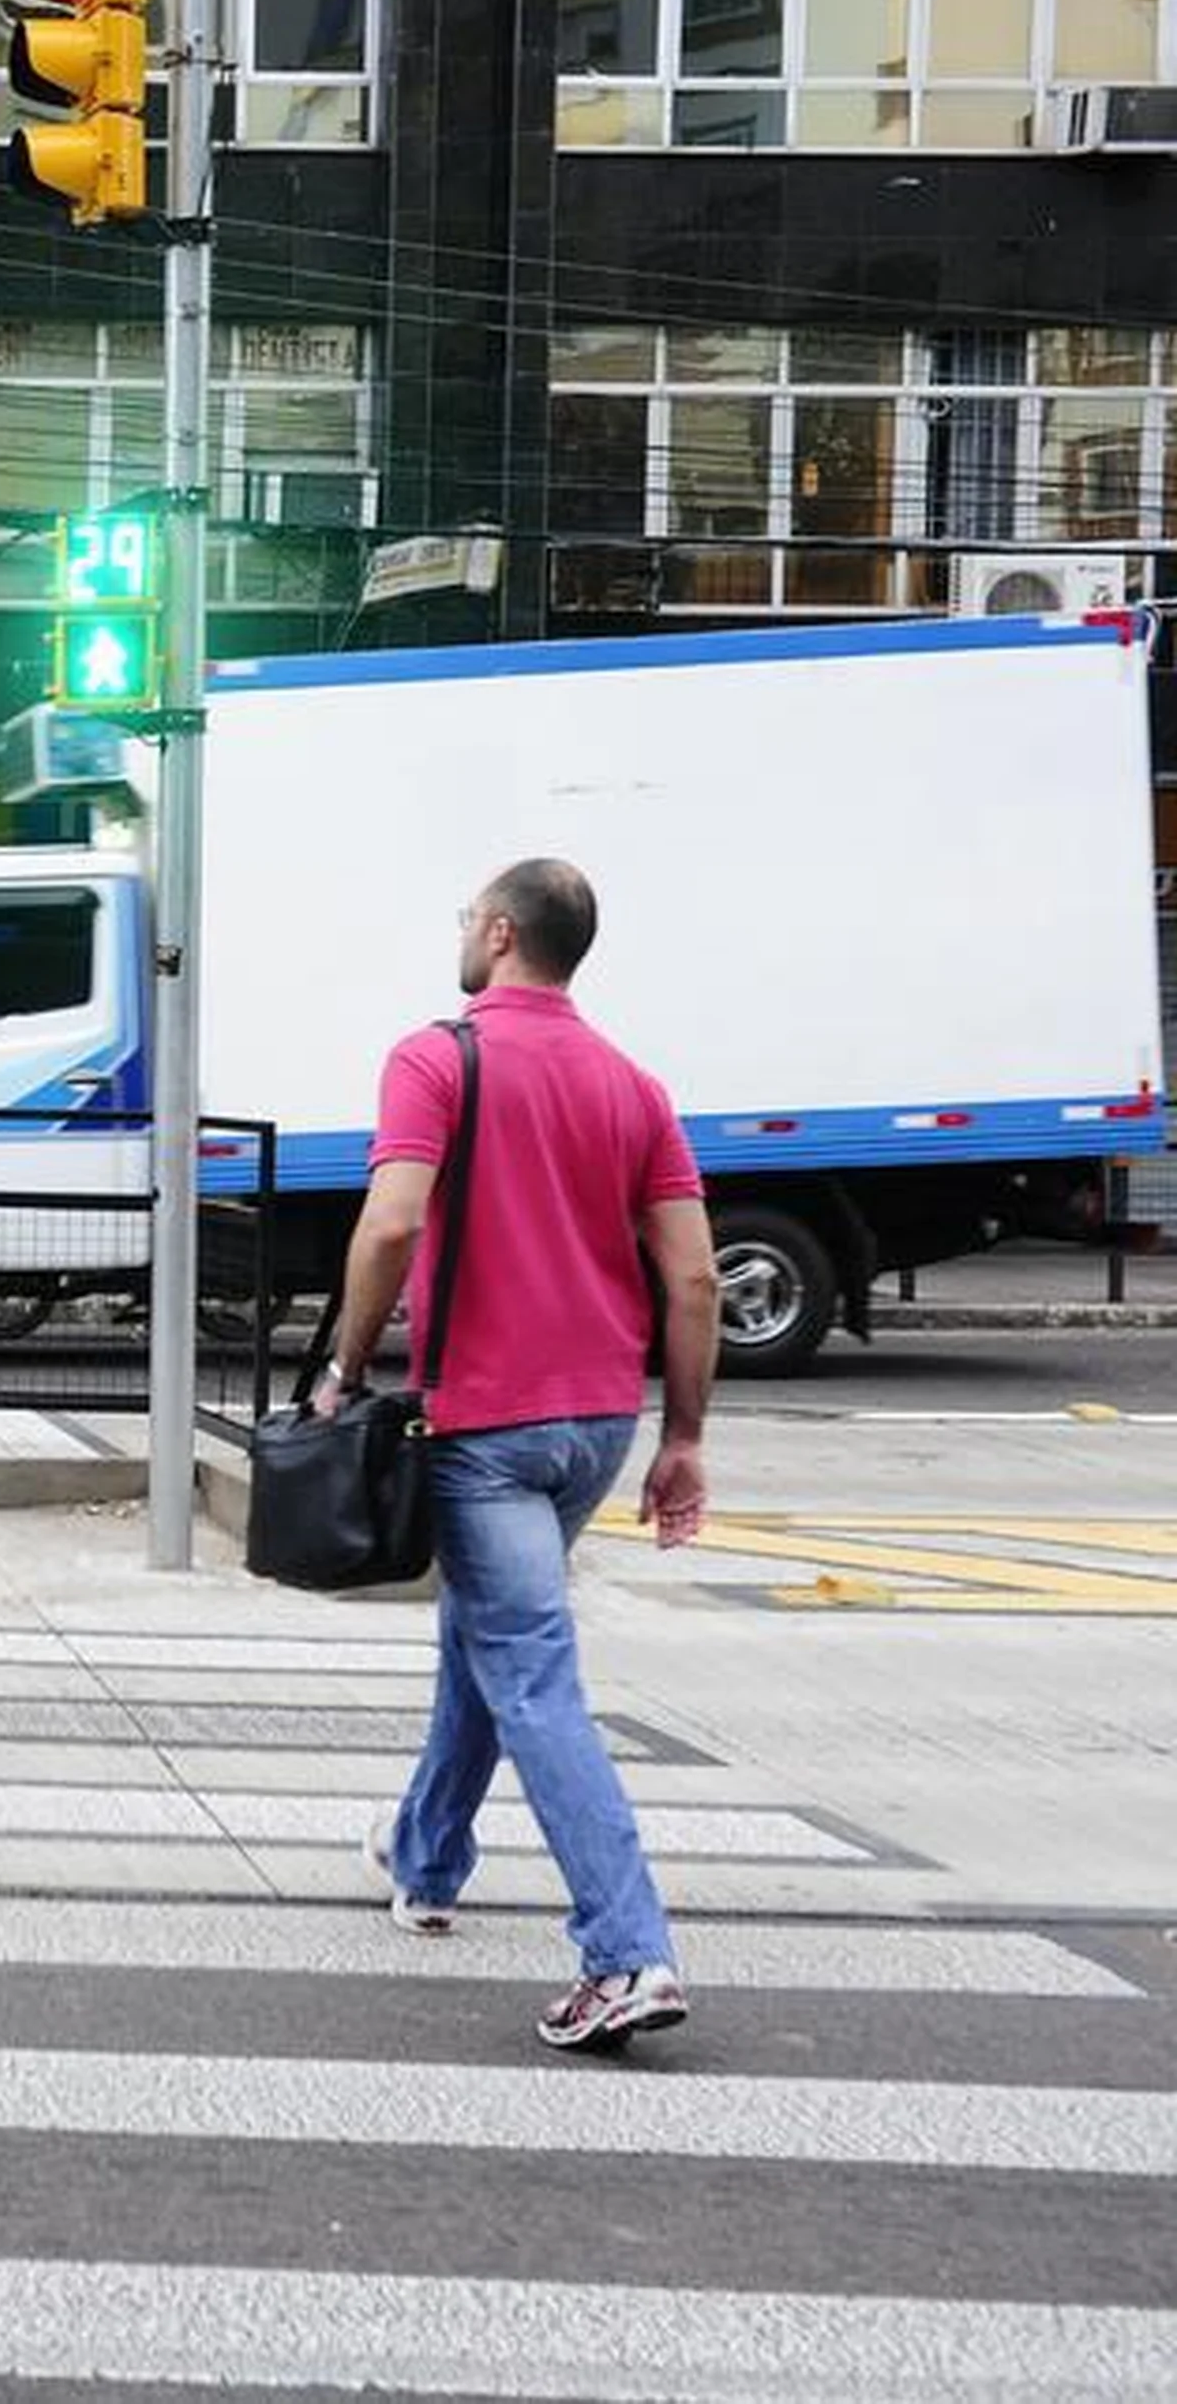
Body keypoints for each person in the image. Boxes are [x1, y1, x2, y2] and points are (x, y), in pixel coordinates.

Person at [315, 858, 719, 2053]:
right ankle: (427, 1856)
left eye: (463, 919)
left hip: (483, 1427)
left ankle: (627, 1949)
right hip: (598, 1422)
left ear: (498, 932)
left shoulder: (437, 1057)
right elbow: (693, 1274)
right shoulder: (632, 1084)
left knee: (531, 1671)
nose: (458, 935)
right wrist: (685, 1435)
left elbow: (391, 1220)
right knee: (487, 1636)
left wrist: (343, 1361)